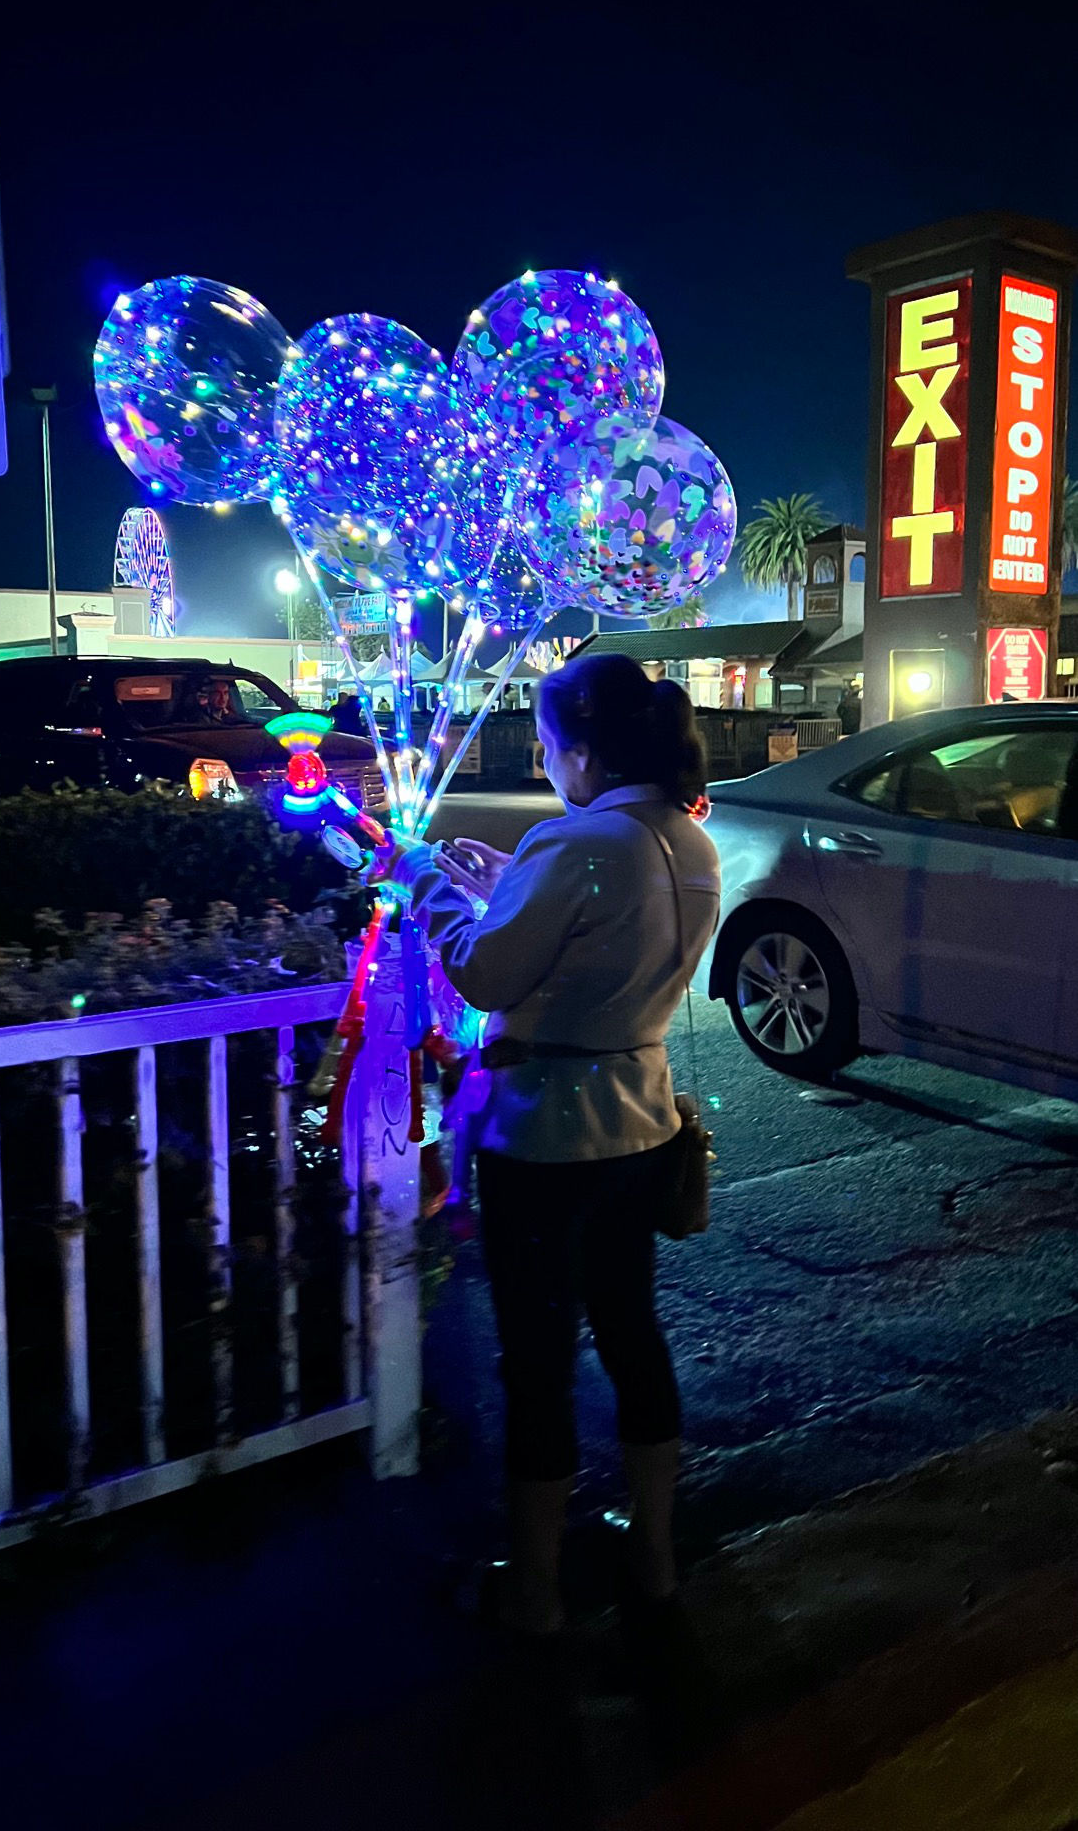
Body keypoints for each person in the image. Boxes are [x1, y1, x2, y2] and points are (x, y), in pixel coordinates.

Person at [378, 653, 720, 1650]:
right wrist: (502, 883)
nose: (540, 752)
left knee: (537, 1357)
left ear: (584, 745)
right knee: (632, 1333)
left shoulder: (573, 842)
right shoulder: (685, 841)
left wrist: (424, 887)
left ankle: (533, 1588)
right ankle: (652, 1554)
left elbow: (488, 973)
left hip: (547, 1136)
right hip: (642, 1122)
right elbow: (592, 934)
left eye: (546, 736)